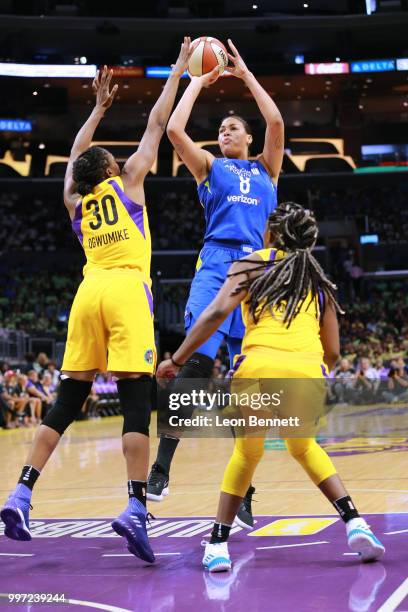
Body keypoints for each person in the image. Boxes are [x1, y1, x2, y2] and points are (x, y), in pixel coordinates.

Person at [0, 39, 195, 565]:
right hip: (128, 290)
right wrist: (179, 68)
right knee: (136, 400)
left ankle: (21, 492)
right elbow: (158, 122)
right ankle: (135, 509)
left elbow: (72, 159)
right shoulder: (129, 182)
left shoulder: (76, 202)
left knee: (67, 398)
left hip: (87, 294)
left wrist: (96, 110)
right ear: (109, 168)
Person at [156, 202, 385, 571]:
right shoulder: (317, 279)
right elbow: (334, 351)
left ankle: (217, 545)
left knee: (247, 454)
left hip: (259, 367)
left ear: (273, 234)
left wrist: (178, 359)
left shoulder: (252, 263)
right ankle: (356, 523)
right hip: (306, 371)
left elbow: (214, 314)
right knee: (305, 448)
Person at [147, 40, 283, 530]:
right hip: (216, 263)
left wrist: (246, 76)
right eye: (221, 128)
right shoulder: (210, 167)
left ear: (246, 138)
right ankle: (161, 468)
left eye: (233, 127)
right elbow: (175, 130)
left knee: (250, 385)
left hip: (258, 270)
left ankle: (244, 492)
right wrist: (197, 81)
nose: (224, 131)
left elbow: (277, 124)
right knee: (198, 368)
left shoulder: (267, 168)